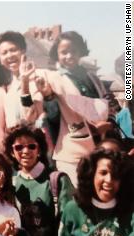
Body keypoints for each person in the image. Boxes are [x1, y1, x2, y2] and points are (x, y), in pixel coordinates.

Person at [33, 31, 110, 185]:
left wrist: (107, 123)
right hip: (71, 151)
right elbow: (52, 116)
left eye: (73, 51)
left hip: (99, 148)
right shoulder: (54, 79)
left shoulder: (92, 78)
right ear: (57, 54)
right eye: (64, 52)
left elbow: (107, 103)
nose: (69, 56)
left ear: (80, 51)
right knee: (75, 196)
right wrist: (48, 96)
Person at [4, 124, 74, 236]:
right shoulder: (12, 184)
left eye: (31, 146)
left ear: (39, 150)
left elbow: (69, 223)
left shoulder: (58, 180)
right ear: (12, 152)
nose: (25, 151)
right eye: (19, 147)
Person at [59, 149, 134, 236]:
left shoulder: (130, 208)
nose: (109, 180)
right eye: (103, 173)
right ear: (91, 174)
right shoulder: (72, 209)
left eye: (115, 174)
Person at [0, 31, 43, 129]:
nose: (10, 55)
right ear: (0, 60)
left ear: (23, 51)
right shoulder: (9, 91)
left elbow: (33, 117)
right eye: (4, 53)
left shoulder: (39, 77)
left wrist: (25, 83)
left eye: (13, 50)